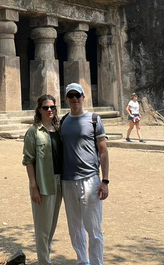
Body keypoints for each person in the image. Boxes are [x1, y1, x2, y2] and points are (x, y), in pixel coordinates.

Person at [60, 82, 109, 265]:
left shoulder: (94, 119)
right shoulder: (63, 121)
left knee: (94, 228)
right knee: (75, 227)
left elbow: (103, 150)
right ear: (66, 99)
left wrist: (105, 180)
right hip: (68, 180)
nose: (74, 99)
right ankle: (83, 261)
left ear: (83, 97)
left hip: (90, 179)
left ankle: (96, 263)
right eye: (71, 96)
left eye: (77, 95)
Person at [22, 94, 63, 265]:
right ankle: (44, 262)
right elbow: (28, 160)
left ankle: (45, 259)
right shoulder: (33, 132)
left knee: (52, 225)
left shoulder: (59, 129)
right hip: (43, 182)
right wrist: (34, 187)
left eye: (52, 107)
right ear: (39, 110)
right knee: (42, 228)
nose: (49, 110)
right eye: (45, 107)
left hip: (60, 181)